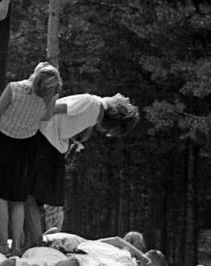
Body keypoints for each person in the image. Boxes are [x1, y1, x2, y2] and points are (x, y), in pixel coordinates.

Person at [30, 94, 140, 247]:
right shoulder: (92, 105)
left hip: (49, 145)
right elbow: (55, 108)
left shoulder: (94, 111)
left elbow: (78, 127)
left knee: (42, 200)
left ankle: (37, 240)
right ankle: (36, 240)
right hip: (44, 142)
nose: (126, 98)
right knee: (42, 199)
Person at [0, 62, 62, 253]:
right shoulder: (48, 98)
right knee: (18, 198)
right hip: (26, 147)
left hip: (0, 141)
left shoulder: (14, 88)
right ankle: (16, 245)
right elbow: (46, 117)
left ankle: (2, 245)